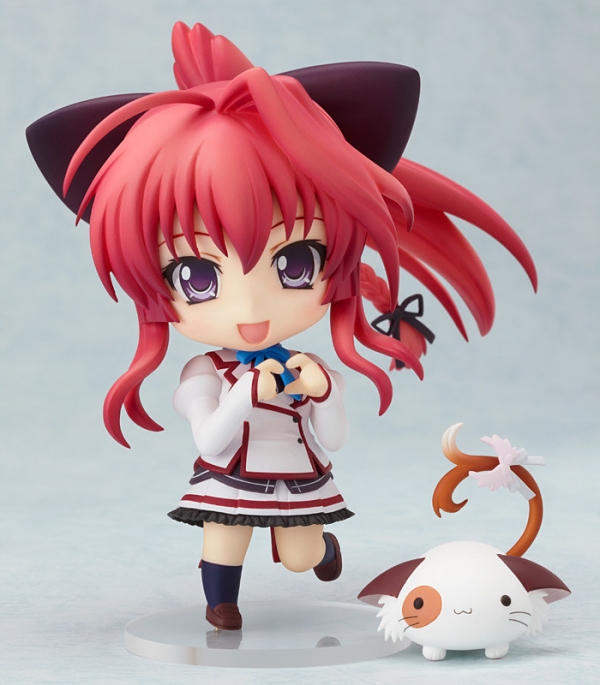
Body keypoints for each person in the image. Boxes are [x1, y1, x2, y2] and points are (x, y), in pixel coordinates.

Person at [26, 22, 537, 630]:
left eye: (295, 263)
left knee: (299, 555)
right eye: (198, 276)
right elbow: (210, 441)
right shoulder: (202, 373)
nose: (251, 308)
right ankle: (222, 603)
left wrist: (323, 394)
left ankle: (321, 550)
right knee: (222, 533)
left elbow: (334, 439)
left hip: (297, 479)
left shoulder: (310, 367)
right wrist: (245, 394)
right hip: (229, 476)